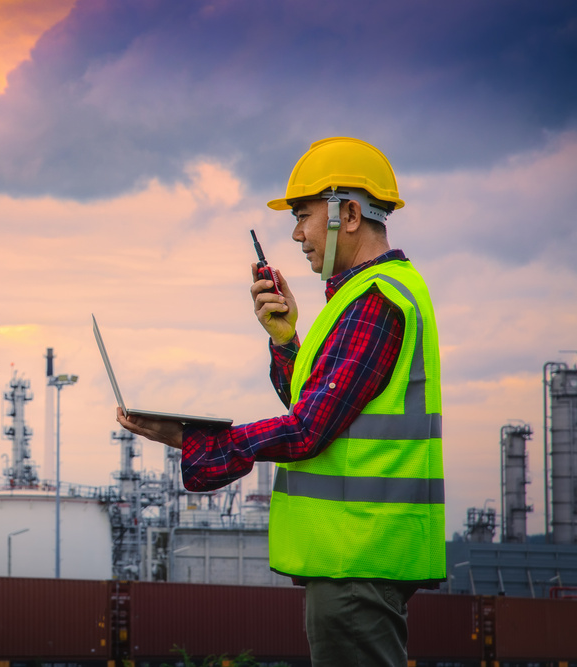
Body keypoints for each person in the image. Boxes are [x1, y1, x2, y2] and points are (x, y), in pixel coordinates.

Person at [116, 137, 444, 667]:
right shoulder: (371, 297)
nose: (295, 235)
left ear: (350, 214)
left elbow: (308, 429)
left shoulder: (376, 301)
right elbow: (320, 409)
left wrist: (201, 442)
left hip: (354, 561)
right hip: (356, 560)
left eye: (303, 216)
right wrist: (285, 339)